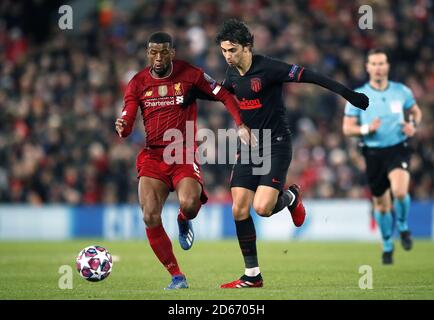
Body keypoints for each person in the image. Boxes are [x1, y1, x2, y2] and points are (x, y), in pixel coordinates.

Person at [189, 19, 369, 288]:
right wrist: (189, 94)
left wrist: (348, 94)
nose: (227, 56)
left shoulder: (269, 68)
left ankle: (291, 196)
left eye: (233, 50)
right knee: (239, 208)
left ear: (247, 47)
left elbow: (311, 76)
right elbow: (223, 93)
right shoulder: (233, 75)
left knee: (262, 208)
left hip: (276, 143)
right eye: (224, 51)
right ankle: (252, 275)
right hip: (249, 146)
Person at [115, 31, 253, 290]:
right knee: (149, 215)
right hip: (153, 156)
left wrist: (240, 123)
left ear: (172, 53)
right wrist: (122, 126)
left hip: (182, 153)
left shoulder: (190, 75)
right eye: (153, 52)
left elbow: (223, 94)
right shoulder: (137, 83)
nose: (158, 57)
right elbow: (127, 123)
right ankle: (177, 276)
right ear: (148, 54)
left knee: (190, 204)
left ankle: (182, 218)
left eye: (163, 52)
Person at [343, 48, 422, 265]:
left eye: (382, 63)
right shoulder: (358, 95)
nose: (378, 68)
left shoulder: (401, 91)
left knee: (399, 190)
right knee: (381, 205)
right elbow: (348, 128)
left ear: (387, 66)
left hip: (397, 148)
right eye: (374, 64)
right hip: (373, 152)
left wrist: (412, 125)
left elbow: (416, 112)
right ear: (367, 67)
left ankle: (404, 226)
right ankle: (387, 243)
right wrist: (367, 128)